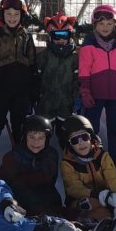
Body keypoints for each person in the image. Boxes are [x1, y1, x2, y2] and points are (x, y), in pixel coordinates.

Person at [0, 0, 38, 174]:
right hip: (0, 90)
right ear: (2, 15)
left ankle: (21, 160)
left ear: (22, 16)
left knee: (20, 125)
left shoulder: (26, 37)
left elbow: (33, 64)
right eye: (8, 14)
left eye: (16, 14)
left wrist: (34, 89)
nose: (12, 18)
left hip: (21, 90)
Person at [78, 4, 116, 166]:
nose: (105, 27)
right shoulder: (89, 45)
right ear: (95, 24)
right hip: (95, 94)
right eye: (101, 24)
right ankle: (91, 157)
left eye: (109, 24)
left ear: (115, 25)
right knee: (91, 127)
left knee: (115, 126)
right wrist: (85, 91)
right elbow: (84, 69)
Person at [59, 114, 116, 224]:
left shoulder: (102, 156)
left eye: (84, 137)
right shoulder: (67, 163)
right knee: (89, 204)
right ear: (69, 144)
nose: (81, 143)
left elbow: (113, 179)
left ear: (91, 137)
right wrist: (98, 195)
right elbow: (74, 189)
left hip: (108, 197)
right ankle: (106, 221)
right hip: (83, 199)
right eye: (75, 140)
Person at [0, 114, 64, 216]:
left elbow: (51, 180)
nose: (36, 142)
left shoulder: (51, 154)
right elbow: (1, 184)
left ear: (47, 139)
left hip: (47, 201)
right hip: (21, 205)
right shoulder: (14, 157)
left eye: (41, 137)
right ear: (25, 137)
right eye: (31, 137)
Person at [36, 11, 79, 148]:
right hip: (46, 102)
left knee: (65, 132)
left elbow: (78, 79)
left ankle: (67, 153)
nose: (60, 40)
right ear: (50, 36)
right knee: (44, 130)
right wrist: (35, 94)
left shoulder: (74, 58)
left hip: (66, 102)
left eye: (64, 35)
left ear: (69, 36)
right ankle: (42, 152)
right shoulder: (45, 56)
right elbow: (36, 76)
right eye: (56, 36)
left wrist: (77, 96)